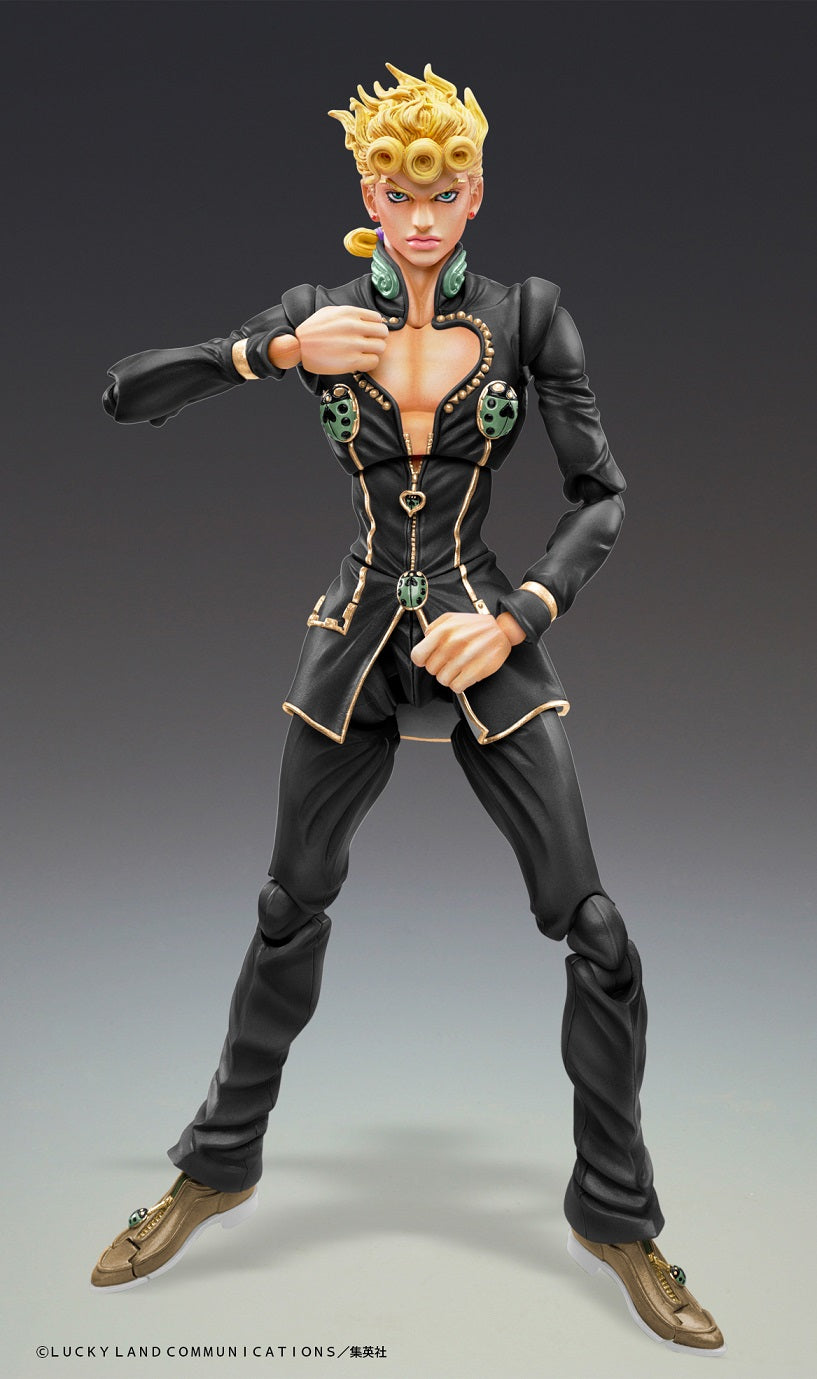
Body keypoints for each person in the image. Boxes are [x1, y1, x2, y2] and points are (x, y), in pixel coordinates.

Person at [91, 64, 724, 1355]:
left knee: (596, 930)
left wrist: (520, 614)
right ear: (368, 196)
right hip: (356, 637)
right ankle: (217, 1166)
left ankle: (616, 1216)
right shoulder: (317, 312)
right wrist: (271, 352)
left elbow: (601, 492)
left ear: (475, 192)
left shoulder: (530, 318)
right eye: (398, 195)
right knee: (288, 907)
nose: (422, 218)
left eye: (444, 193)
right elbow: (127, 393)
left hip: (480, 630)